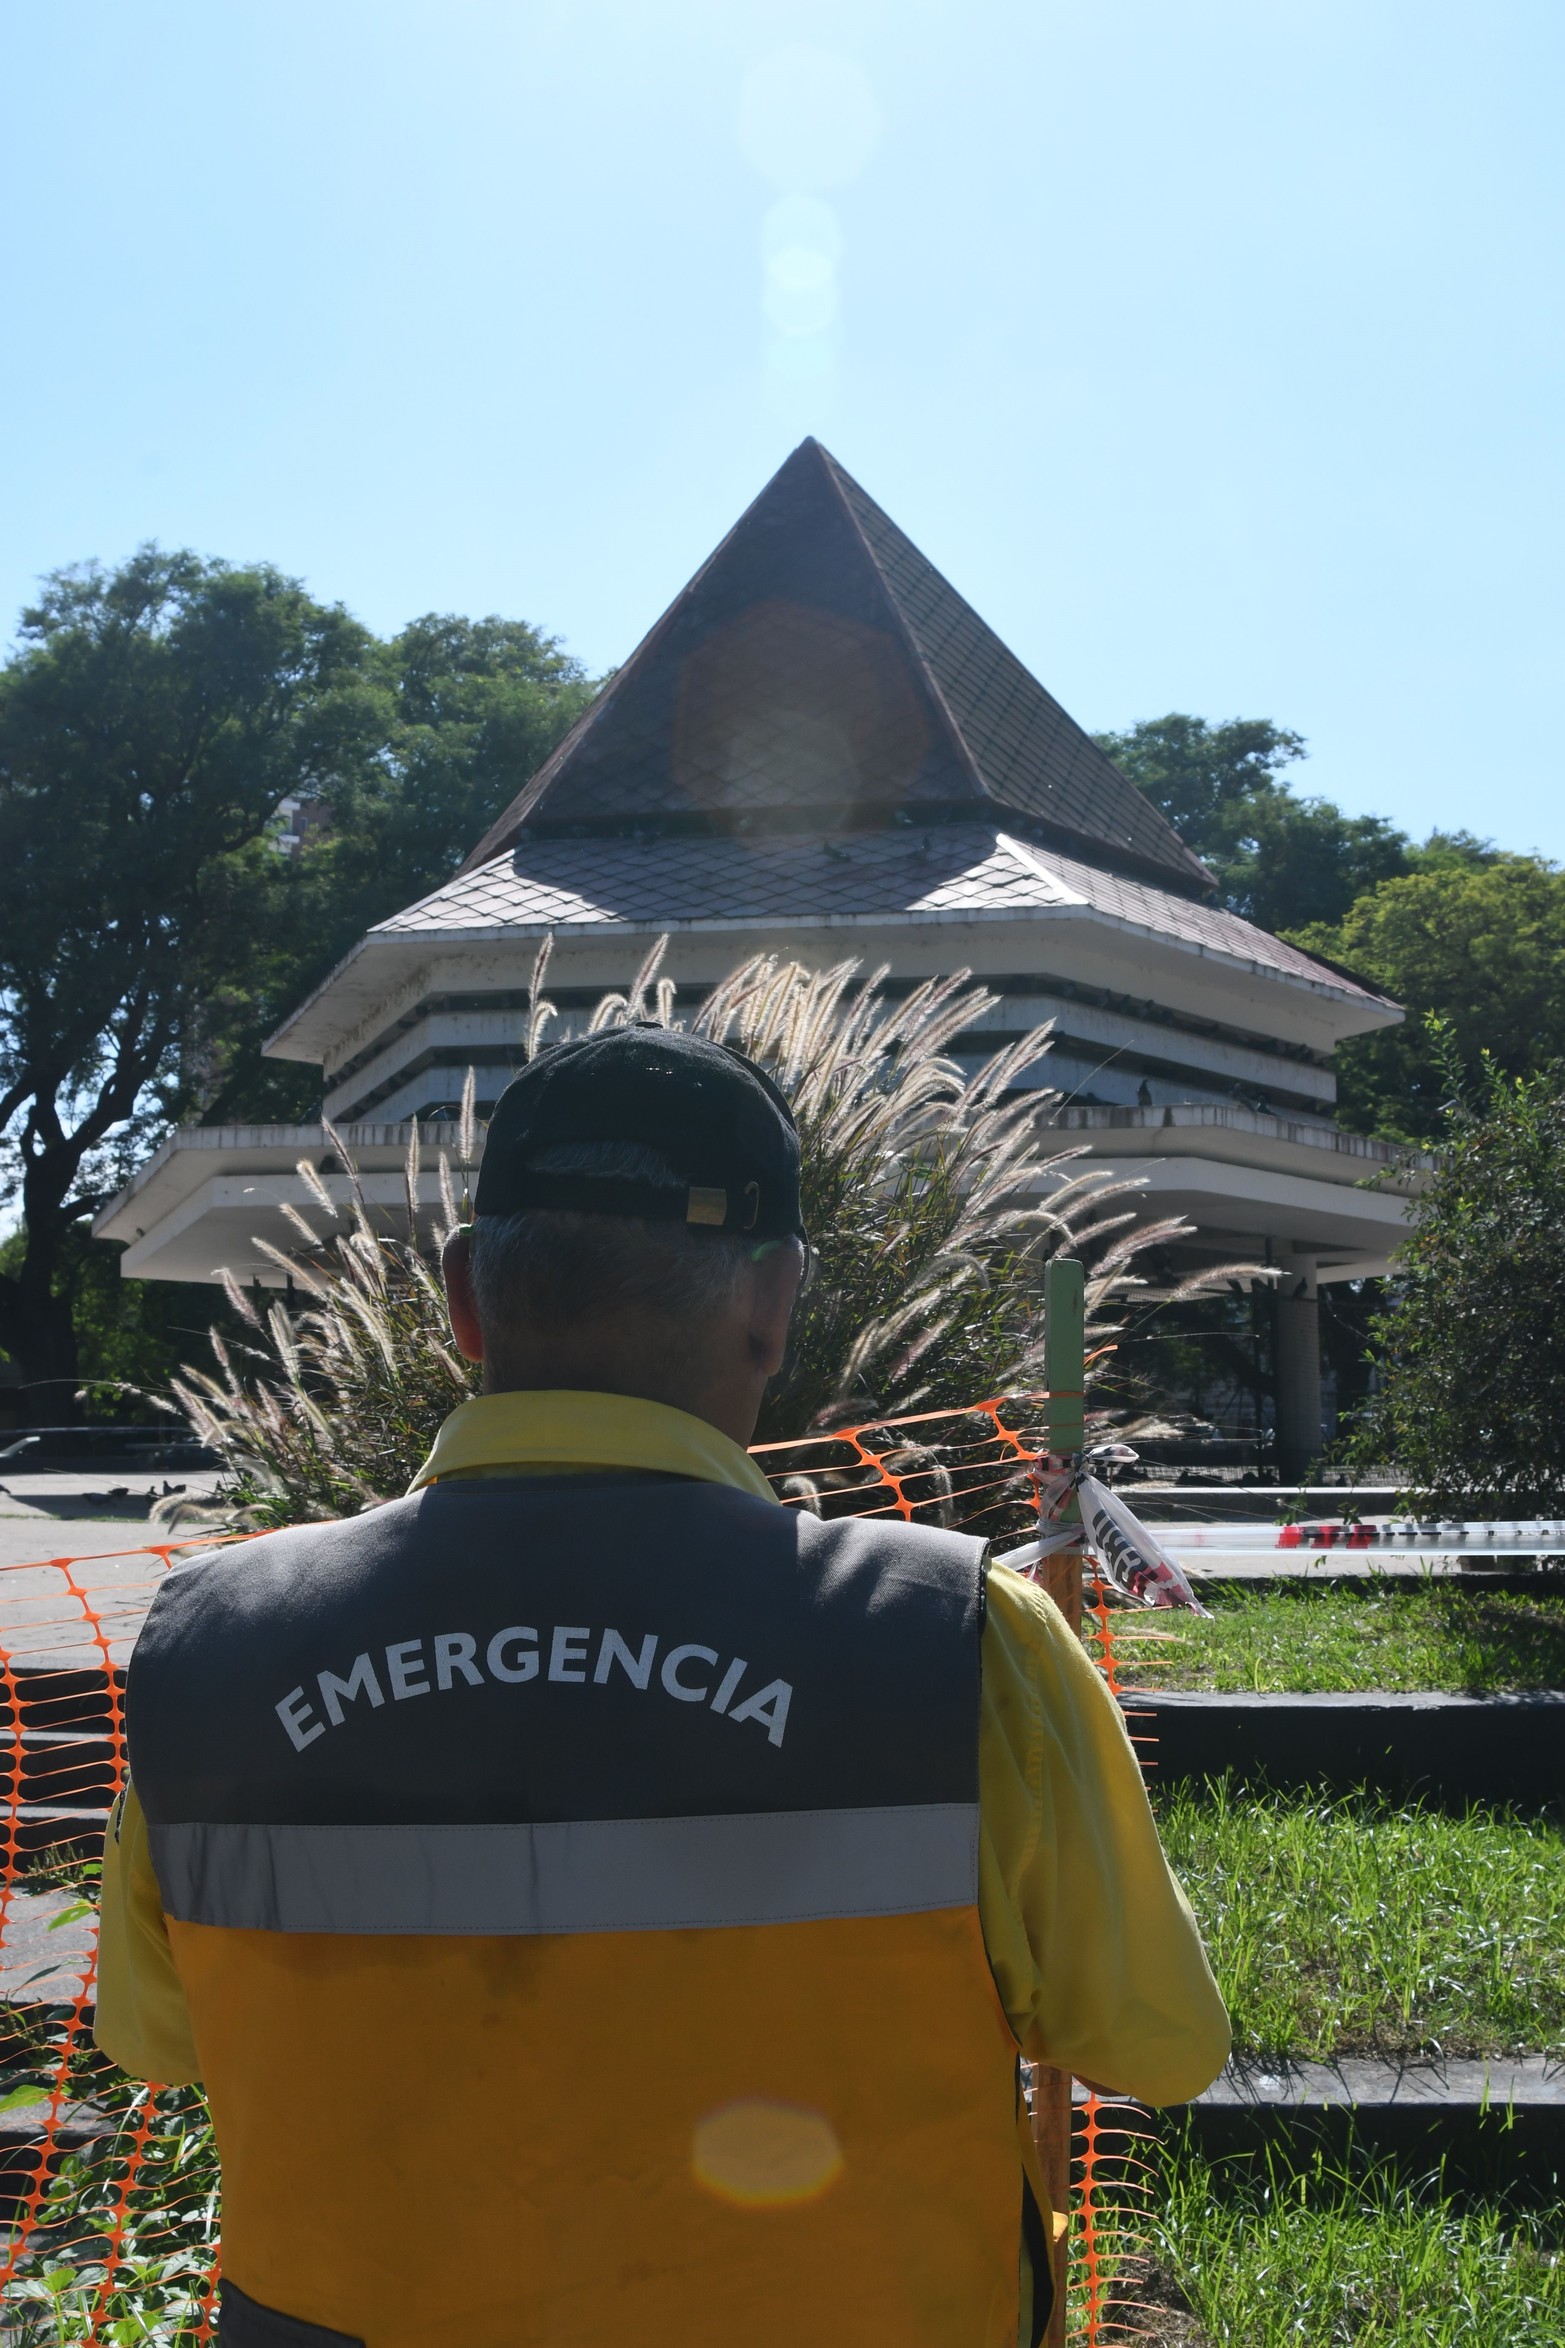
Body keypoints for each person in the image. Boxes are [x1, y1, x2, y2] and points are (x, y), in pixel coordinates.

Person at [97, 1026, 1228, 2348]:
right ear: (771, 1304)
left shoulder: (216, 1644)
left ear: (464, 1300)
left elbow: (154, 2040)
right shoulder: (954, 1636)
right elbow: (1155, 2047)